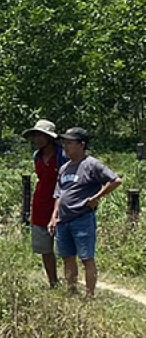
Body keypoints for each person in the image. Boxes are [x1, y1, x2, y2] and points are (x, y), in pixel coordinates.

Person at [49, 127, 124, 298]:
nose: (65, 146)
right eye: (64, 142)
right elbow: (59, 194)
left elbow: (115, 180)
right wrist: (54, 217)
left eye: (69, 143)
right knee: (67, 257)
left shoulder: (91, 164)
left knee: (86, 258)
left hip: (82, 218)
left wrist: (96, 197)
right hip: (63, 220)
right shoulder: (64, 168)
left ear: (81, 145)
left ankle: (90, 295)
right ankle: (72, 291)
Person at [23, 119, 65, 288]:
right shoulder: (37, 156)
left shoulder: (62, 156)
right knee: (45, 247)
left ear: (50, 138)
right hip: (41, 203)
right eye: (35, 135)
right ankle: (53, 282)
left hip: (60, 203)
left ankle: (71, 282)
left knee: (66, 246)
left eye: (41, 135)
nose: (37, 139)